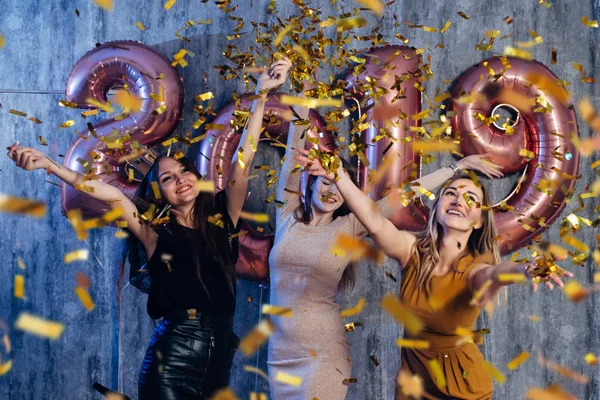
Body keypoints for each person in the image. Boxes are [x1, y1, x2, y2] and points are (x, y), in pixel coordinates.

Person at [7, 58, 291, 400]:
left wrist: (261, 93)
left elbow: (243, 158)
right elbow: (109, 192)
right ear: (160, 193)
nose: (180, 180)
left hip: (218, 364)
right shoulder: (154, 231)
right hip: (171, 362)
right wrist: (52, 166)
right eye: (167, 179)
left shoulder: (223, 217)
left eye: (184, 171)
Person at [268, 89, 507, 399]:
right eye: (325, 182)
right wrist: (301, 103)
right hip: (279, 355)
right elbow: (290, 161)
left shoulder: (350, 225)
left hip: (323, 354)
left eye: (339, 188)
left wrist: (454, 170)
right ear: (311, 182)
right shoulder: (286, 214)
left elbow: (402, 196)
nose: (331, 191)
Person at [295, 150, 573, 399]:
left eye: (470, 198)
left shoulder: (475, 270)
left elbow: (496, 274)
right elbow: (374, 221)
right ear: (437, 207)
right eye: (450, 193)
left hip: (462, 390)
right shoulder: (411, 251)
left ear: (478, 220)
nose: (458, 200)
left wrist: (526, 270)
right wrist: (339, 175)